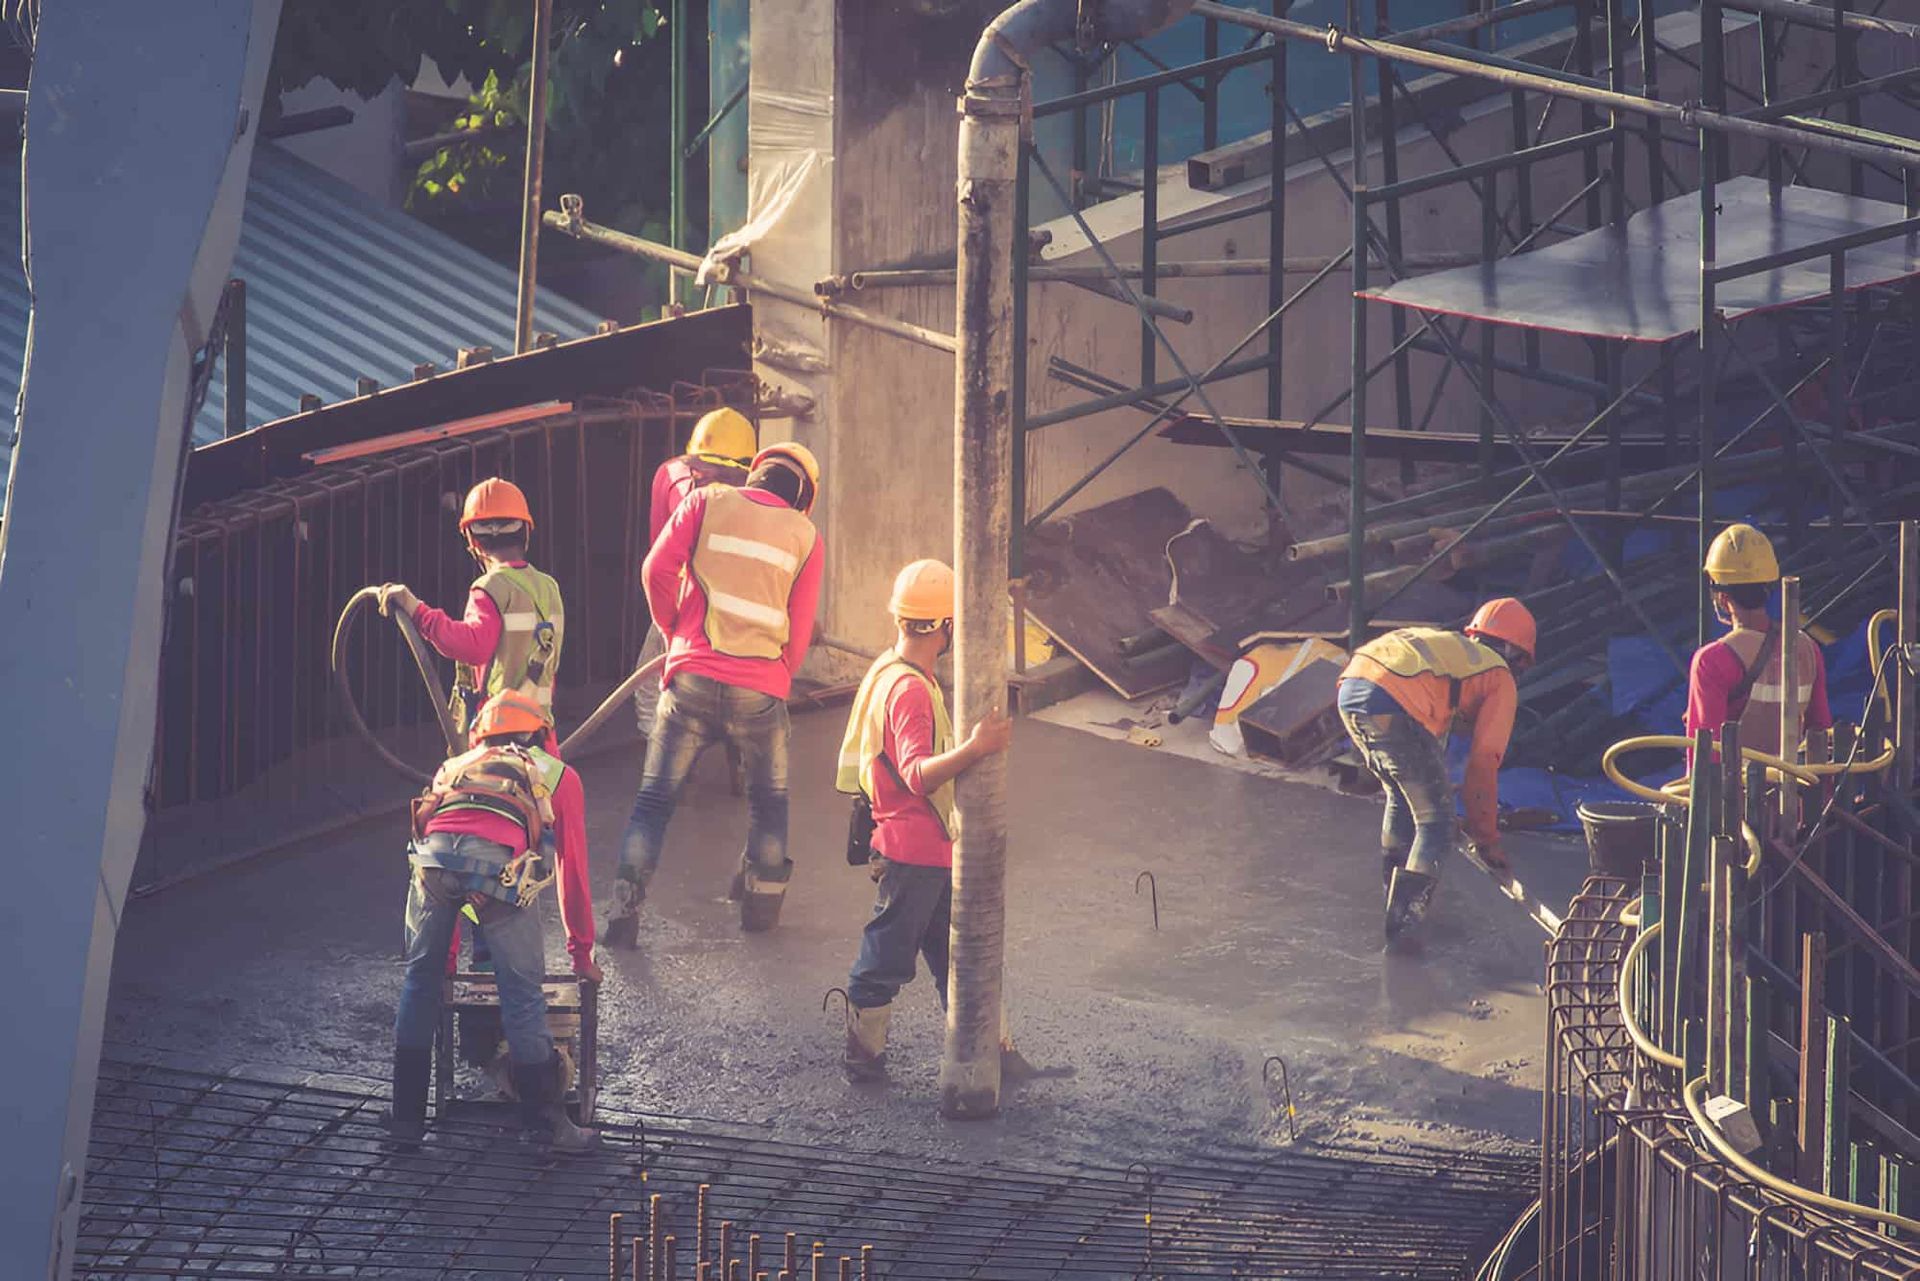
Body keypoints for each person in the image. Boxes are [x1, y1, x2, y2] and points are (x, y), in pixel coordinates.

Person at [604, 441, 826, 943]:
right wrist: (779, 677)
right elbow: (799, 630)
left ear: (756, 473)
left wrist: (673, 632)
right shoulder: (807, 537)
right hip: (760, 690)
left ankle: (622, 915)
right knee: (769, 802)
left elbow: (655, 570)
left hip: (691, 680)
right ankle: (761, 914)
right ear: (803, 498)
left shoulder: (705, 501)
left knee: (653, 801)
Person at [388, 689, 601, 1151]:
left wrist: (445, 960)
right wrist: (581, 953)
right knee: (522, 996)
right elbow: (572, 872)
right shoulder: (558, 775)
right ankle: (545, 1129)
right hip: (498, 868)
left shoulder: (454, 766)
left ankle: (404, 1123)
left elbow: (441, 835)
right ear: (541, 733)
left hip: (432, 865)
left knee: (419, 984)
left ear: (480, 734)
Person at [834, 560, 1011, 1081]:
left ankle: (991, 1053)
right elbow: (916, 774)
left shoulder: (890, 669)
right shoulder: (910, 690)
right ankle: (862, 1059)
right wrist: (977, 748)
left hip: (922, 847)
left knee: (958, 958)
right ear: (946, 626)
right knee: (885, 959)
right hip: (914, 851)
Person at [1335, 598, 1537, 940]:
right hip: (1390, 696)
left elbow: (1431, 746)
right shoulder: (1498, 676)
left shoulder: (1452, 655)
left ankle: (1392, 898)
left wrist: (1442, 794)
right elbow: (1484, 762)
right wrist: (1486, 840)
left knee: (1402, 797)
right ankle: (1404, 929)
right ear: (1515, 655)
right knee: (1436, 822)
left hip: (1353, 686)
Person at [379, 477, 565, 739]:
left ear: (473, 541)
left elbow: (473, 647)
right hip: (542, 734)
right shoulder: (549, 587)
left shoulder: (489, 588)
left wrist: (417, 611)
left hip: (500, 737)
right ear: (526, 531)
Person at [633, 407, 757, 742]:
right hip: (682, 592)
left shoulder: (751, 498)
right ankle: (655, 740)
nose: (711, 482)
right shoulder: (675, 484)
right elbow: (659, 560)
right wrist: (668, 624)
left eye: (728, 478)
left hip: (728, 596)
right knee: (650, 676)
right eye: (704, 472)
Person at [1688, 523, 1831, 759]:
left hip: (1736, 783)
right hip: (1793, 781)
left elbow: (1704, 758)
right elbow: (1821, 735)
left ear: (1722, 598)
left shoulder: (1712, 661)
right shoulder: (1807, 649)